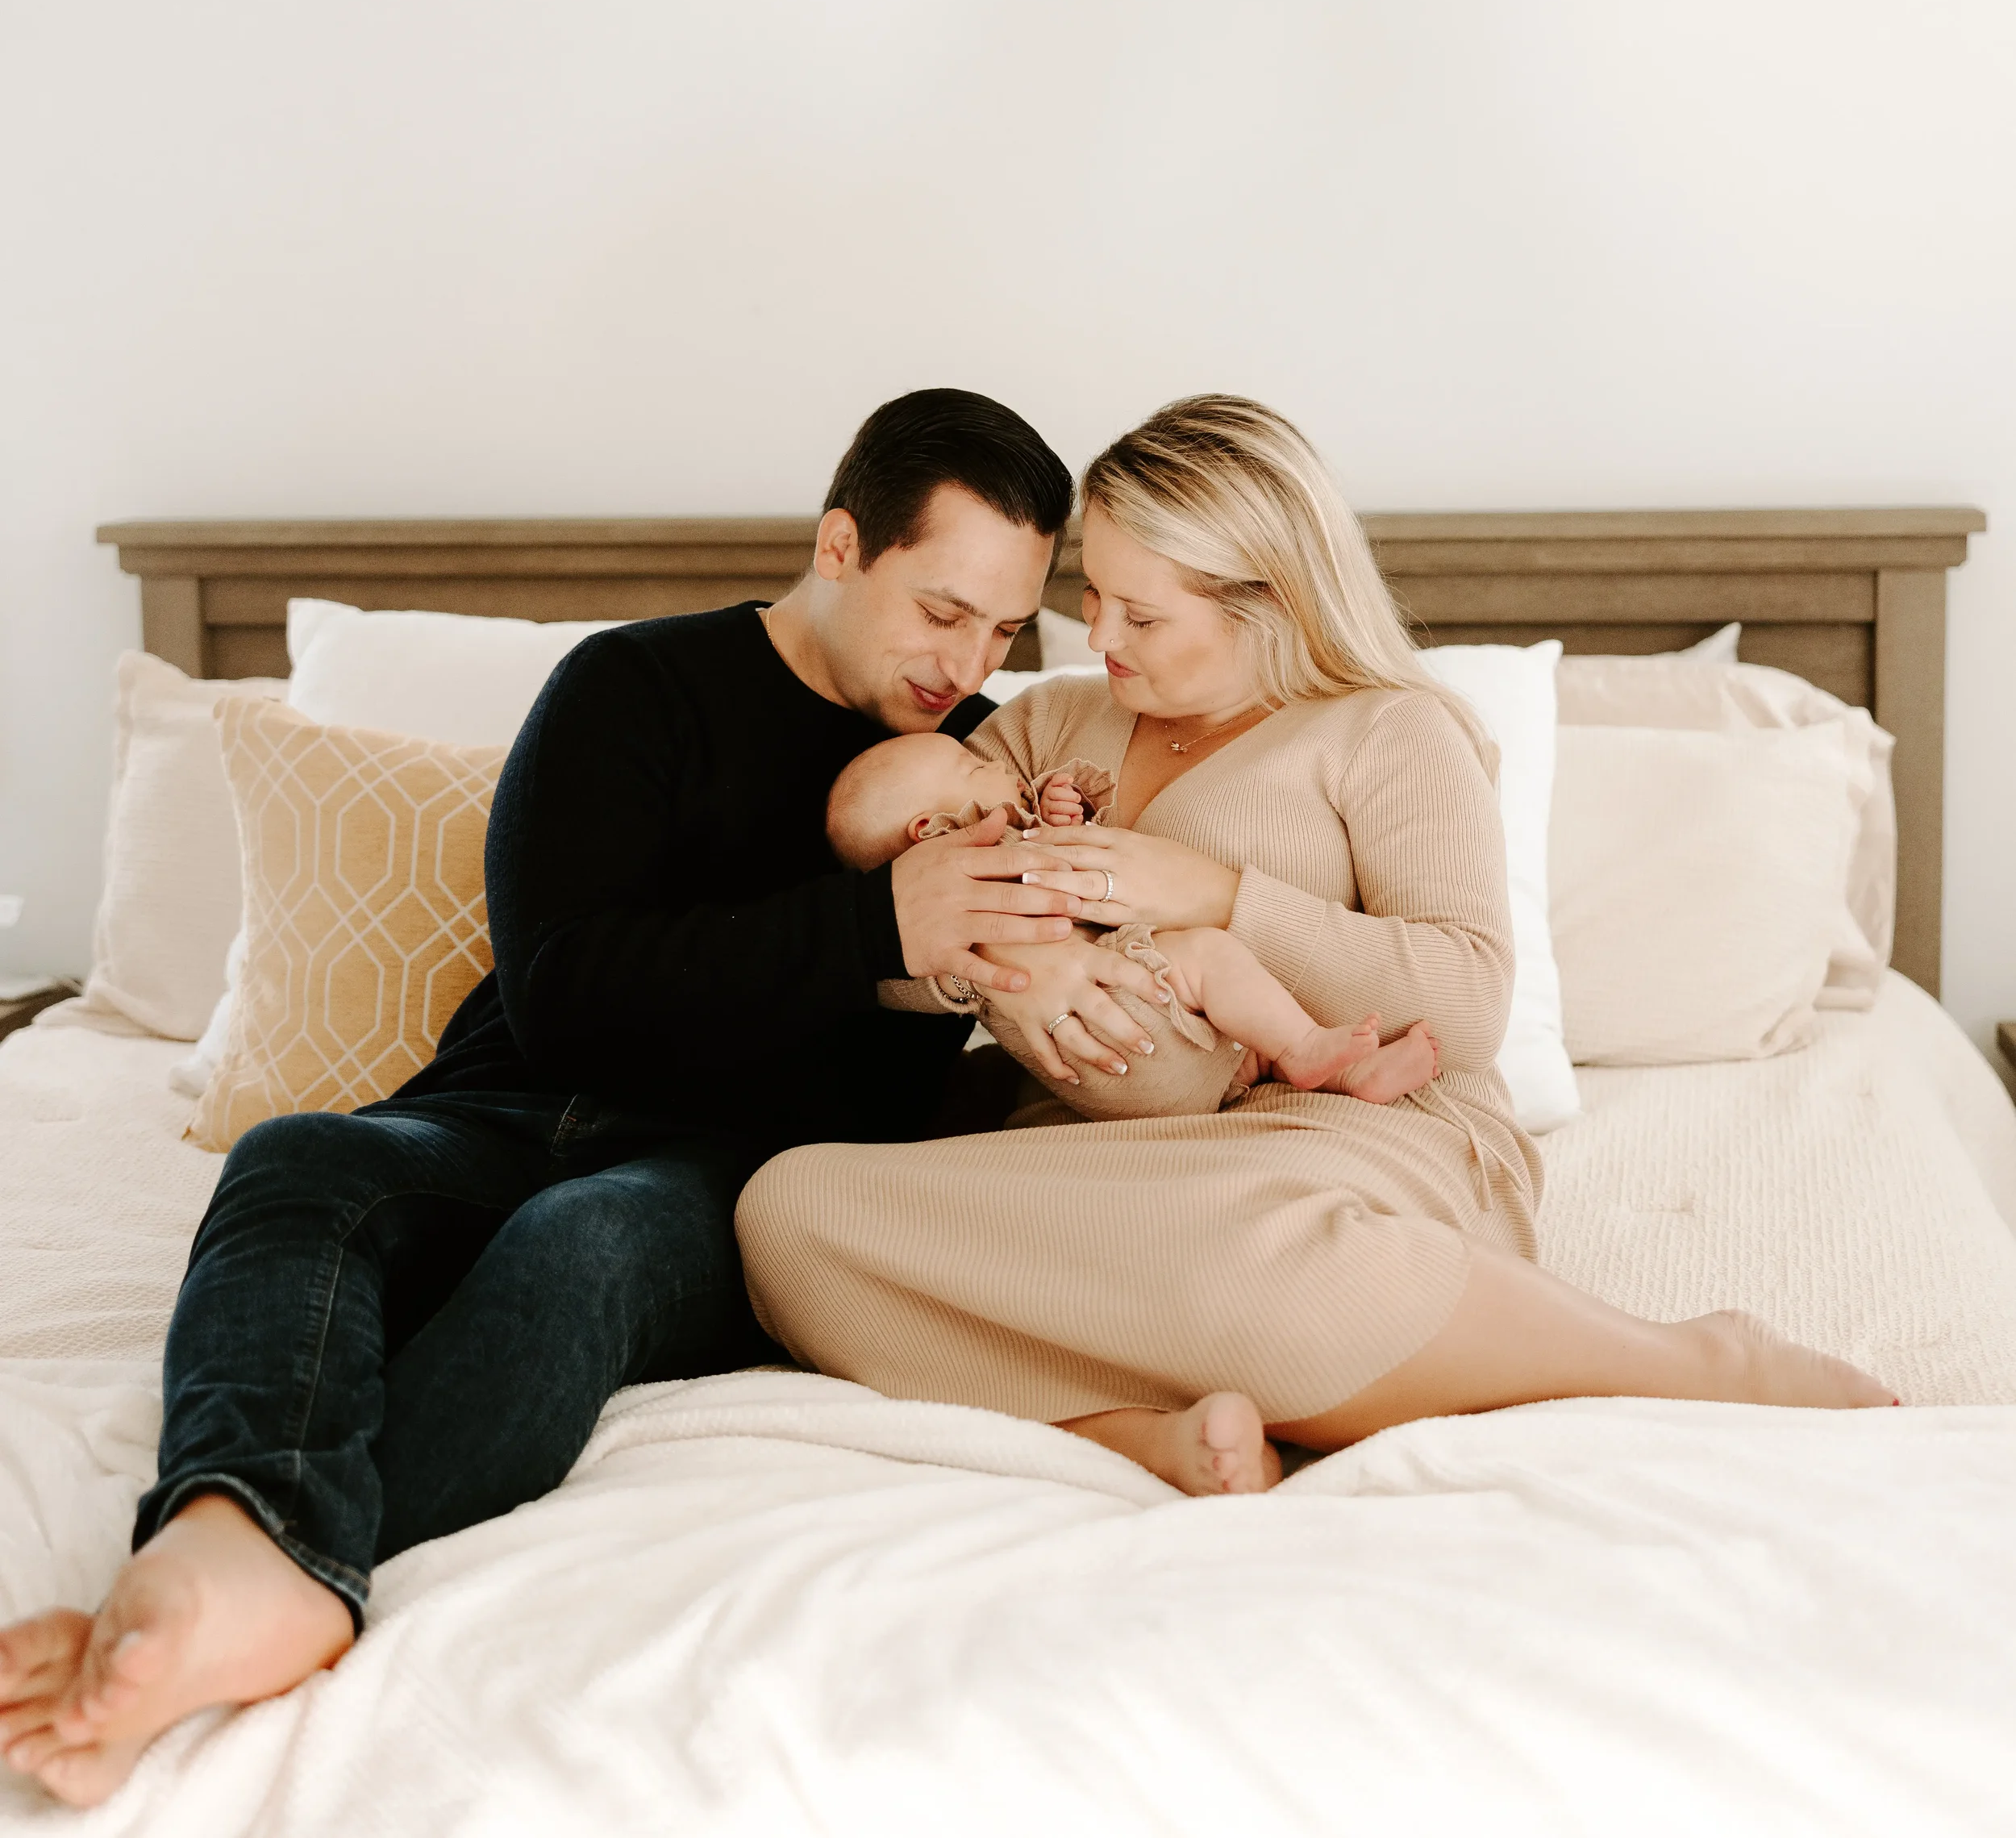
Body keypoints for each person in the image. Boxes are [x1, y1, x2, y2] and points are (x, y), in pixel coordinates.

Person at [0, 387, 1157, 1809]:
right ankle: (239, 1547)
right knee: (301, 1158)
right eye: (941, 611)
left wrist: (1012, 963)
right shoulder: (634, 688)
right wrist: (872, 930)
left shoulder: (984, 774)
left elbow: (906, 1089)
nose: (967, 663)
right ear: (842, 545)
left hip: (723, 1174)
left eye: (1002, 631)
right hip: (509, 1103)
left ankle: (256, 1570)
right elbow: (564, 989)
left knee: (584, 1251)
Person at [739, 394, 1893, 1505]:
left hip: (1330, 1142)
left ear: (1269, 601)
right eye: (1097, 597)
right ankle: (1146, 1434)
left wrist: (1221, 892)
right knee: (788, 1214)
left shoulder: (1392, 731)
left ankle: (1686, 1363)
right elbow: (905, 911)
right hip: (1092, 1164)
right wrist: (975, 976)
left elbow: (1467, 1002)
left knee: (1271, 1254)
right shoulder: (1048, 727)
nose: (1095, 636)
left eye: (1144, 615)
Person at [826, 728, 1441, 1106]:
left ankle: (1321, 1070)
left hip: (1155, 1057)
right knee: (1210, 957)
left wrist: (1063, 814)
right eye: (972, 769)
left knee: (1234, 1018)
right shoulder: (973, 861)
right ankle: (1304, 1047)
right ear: (932, 830)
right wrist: (989, 959)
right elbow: (1058, 881)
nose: (995, 765)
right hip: (1109, 1032)